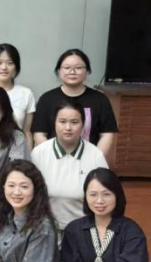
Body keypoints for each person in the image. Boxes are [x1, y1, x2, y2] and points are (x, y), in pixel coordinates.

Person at [31, 100, 110, 235]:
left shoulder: (95, 155)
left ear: (83, 125)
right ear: (54, 123)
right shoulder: (39, 153)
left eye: (74, 122)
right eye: (62, 121)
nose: (68, 128)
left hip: (84, 229)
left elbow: (107, 194)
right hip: (45, 228)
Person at [31, 49, 118, 160]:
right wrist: (53, 158)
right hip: (53, 159)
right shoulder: (47, 99)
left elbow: (107, 134)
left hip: (89, 160)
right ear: (59, 71)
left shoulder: (100, 99)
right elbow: (39, 133)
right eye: (67, 68)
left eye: (78, 68)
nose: (72, 72)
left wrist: (94, 159)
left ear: (87, 71)